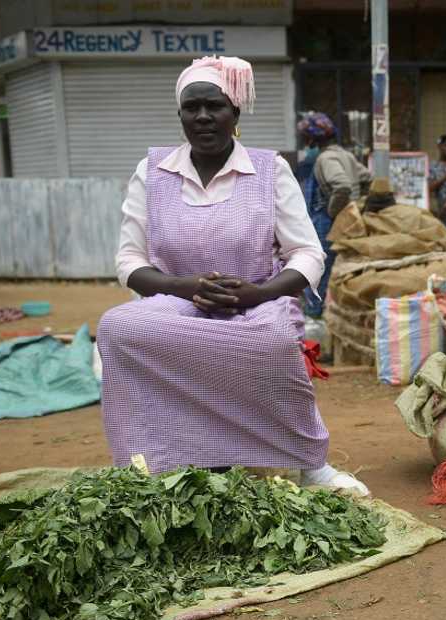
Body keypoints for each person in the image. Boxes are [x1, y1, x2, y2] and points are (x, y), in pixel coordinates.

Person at [97, 56, 365, 494]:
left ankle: (307, 462)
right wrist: (183, 286)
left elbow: (307, 254)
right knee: (116, 328)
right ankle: (159, 458)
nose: (203, 116)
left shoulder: (269, 170)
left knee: (274, 341)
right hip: (175, 303)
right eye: (192, 107)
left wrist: (257, 293)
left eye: (215, 106)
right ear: (180, 114)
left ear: (235, 113)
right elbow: (129, 261)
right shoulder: (153, 172)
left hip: (258, 300)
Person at [297, 112, 370, 318]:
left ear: (312, 139)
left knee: (320, 268)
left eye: (305, 138)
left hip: (327, 222)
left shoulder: (326, 159)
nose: (304, 143)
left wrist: (333, 210)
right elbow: (366, 177)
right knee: (337, 267)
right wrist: (357, 203)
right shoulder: (345, 155)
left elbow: (342, 186)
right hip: (347, 220)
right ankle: (331, 309)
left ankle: (315, 311)